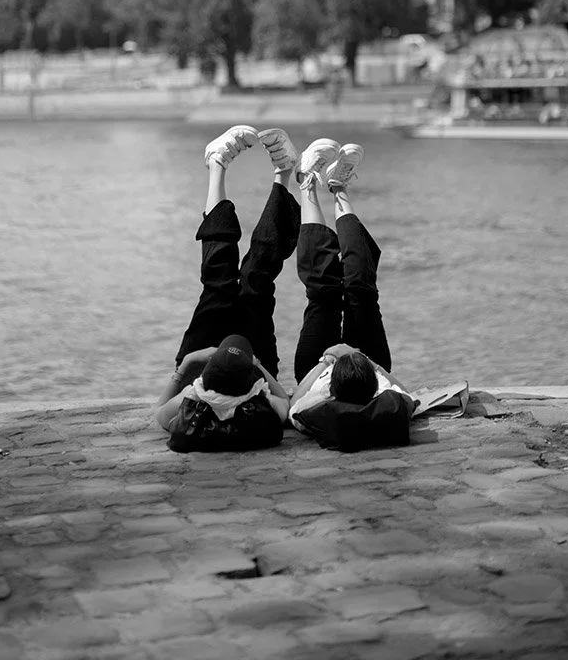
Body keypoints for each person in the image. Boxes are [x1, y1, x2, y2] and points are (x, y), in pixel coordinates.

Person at [154, 124, 300, 451]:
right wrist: (255, 367)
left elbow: (159, 412)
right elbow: (284, 405)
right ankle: (283, 173)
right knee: (256, 279)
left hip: (211, 366)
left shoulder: (190, 411)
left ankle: (216, 165)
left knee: (219, 283)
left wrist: (188, 367)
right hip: (250, 366)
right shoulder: (261, 414)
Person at [288, 139, 419, 448]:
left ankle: (306, 182)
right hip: (367, 363)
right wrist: (368, 364)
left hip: (317, 366)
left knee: (324, 291)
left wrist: (329, 361)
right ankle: (337, 186)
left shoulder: (313, 411)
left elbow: (295, 399)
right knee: (361, 287)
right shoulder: (389, 408)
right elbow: (408, 397)